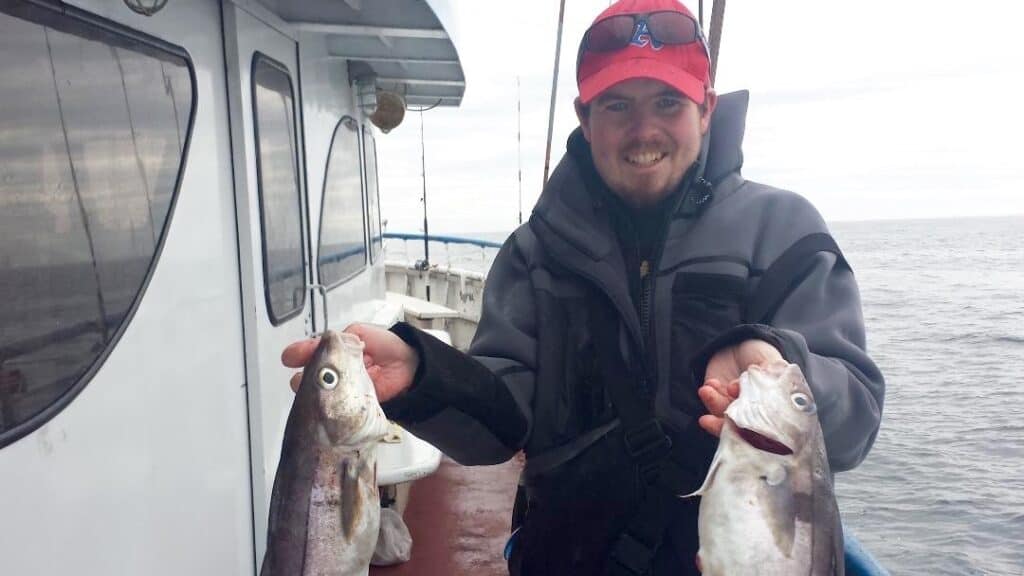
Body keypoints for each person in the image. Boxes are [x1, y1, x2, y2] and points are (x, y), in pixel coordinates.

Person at [283, 0, 885, 574]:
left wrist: (781, 365)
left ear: (706, 108)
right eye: (617, 105)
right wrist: (421, 372)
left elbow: (854, 419)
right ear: (585, 118)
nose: (643, 130)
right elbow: (501, 423)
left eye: (668, 103)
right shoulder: (535, 251)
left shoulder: (783, 232)